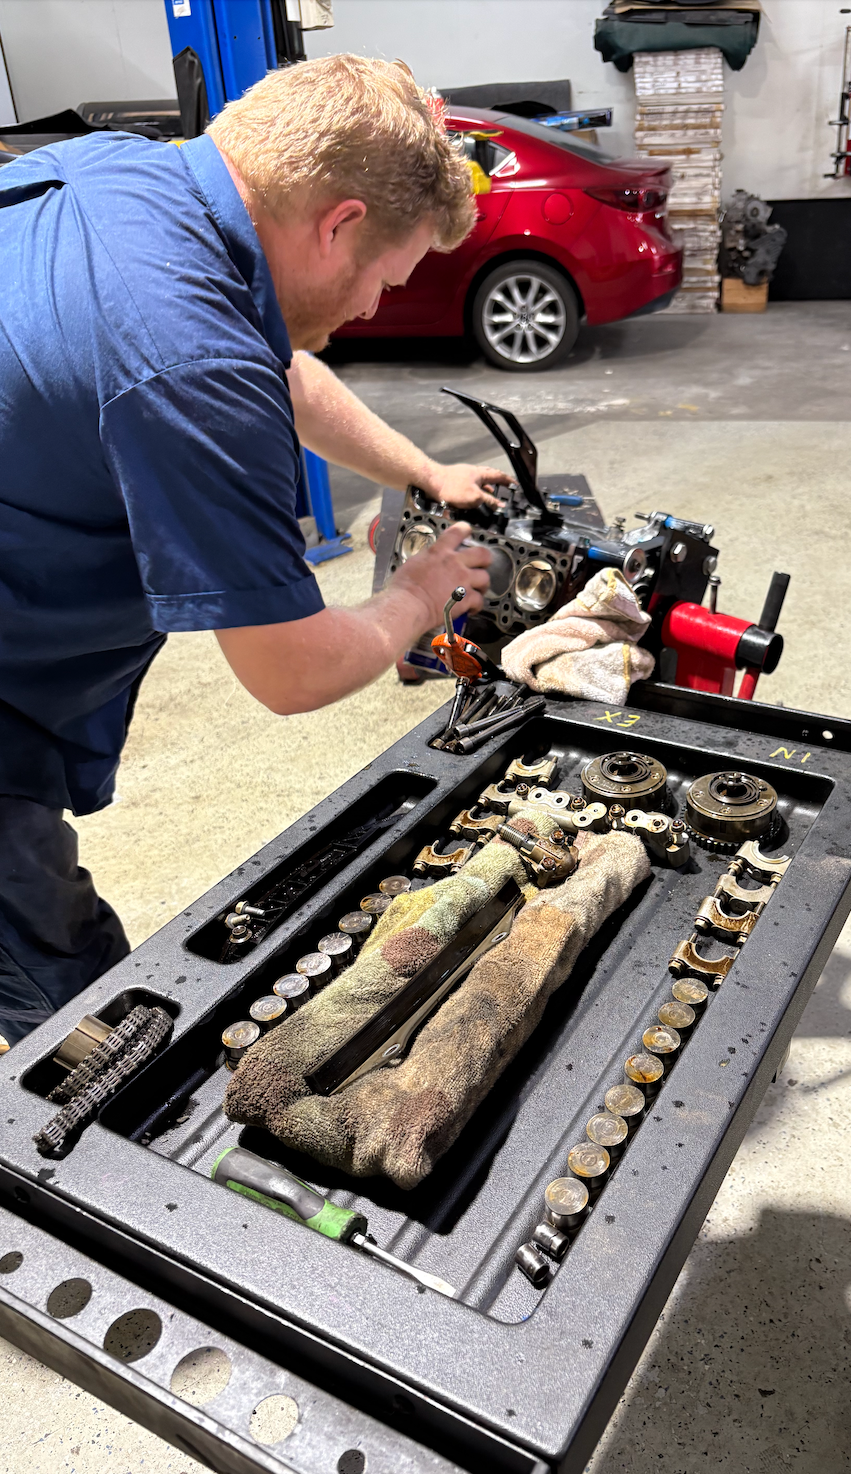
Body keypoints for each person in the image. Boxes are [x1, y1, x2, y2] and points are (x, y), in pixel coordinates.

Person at [0, 56, 510, 1049]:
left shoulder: (133, 175)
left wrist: (424, 471)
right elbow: (290, 668)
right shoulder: (190, 361)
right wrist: (417, 596)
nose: (372, 308)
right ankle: (97, 1127)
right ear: (338, 223)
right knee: (66, 987)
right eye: (383, 277)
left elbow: (279, 368)